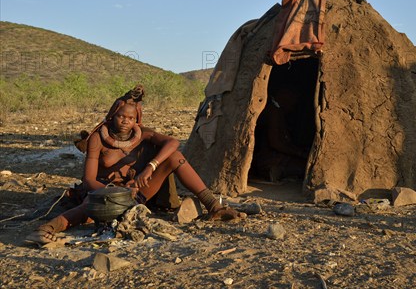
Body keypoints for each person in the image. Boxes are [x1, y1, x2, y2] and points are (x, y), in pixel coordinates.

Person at [26, 85, 245, 245]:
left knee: (174, 156)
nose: (125, 121)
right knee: (87, 209)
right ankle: (47, 229)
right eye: (121, 116)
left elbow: (173, 143)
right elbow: (88, 179)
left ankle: (214, 207)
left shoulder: (143, 134)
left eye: (130, 118)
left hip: (137, 191)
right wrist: (111, 192)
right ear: (112, 116)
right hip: (104, 192)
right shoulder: (97, 139)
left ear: (136, 120)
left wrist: (150, 166)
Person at [251, 86, 309, 182]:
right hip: (268, 159)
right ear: (285, 96)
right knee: (305, 168)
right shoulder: (273, 112)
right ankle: (276, 171)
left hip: (273, 158)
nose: (294, 104)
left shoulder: (277, 112)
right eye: (293, 100)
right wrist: (299, 153)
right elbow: (275, 143)